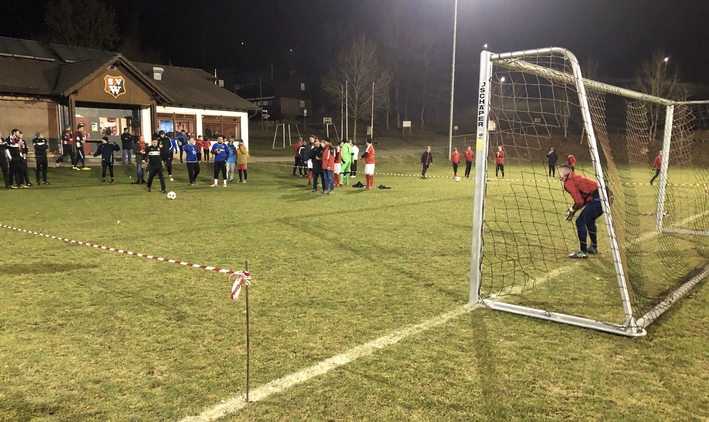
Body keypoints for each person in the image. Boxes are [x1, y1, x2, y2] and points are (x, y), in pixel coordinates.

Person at [558, 164, 613, 258]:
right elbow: (583, 200)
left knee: (580, 221)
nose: (558, 174)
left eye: (559, 172)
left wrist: (573, 209)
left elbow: (579, 201)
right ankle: (593, 247)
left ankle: (583, 252)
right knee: (589, 220)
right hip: (607, 195)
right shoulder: (574, 178)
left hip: (599, 197)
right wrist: (574, 209)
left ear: (564, 174)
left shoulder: (569, 182)